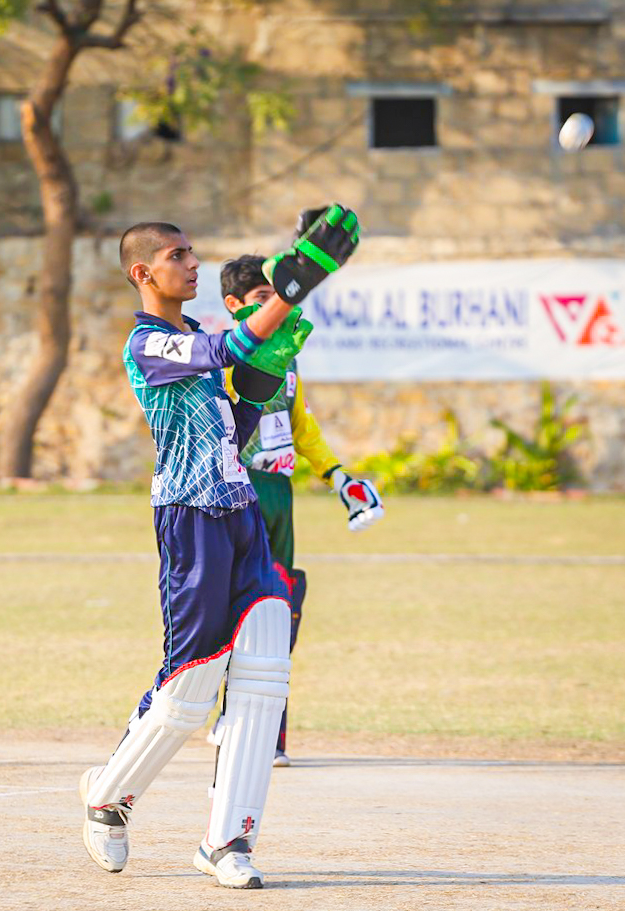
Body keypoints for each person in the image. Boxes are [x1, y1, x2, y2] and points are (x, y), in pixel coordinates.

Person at [79, 205, 360, 889]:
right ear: (143, 273)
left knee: (264, 670)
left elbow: (233, 421)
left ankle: (227, 840)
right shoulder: (147, 344)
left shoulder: (197, 335)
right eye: (177, 256)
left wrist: (265, 377)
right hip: (190, 519)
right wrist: (295, 284)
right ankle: (108, 796)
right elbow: (222, 352)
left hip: (240, 510)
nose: (193, 263)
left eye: (192, 252)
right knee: (190, 686)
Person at [209, 240, 384, 768]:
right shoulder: (228, 357)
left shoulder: (287, 357)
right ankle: (229, 714)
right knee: (242, 607)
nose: (278, 305)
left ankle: (267, 733)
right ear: (236, 306)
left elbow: (301, 426)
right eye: (264, 298)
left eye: (279, 295)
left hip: (280, 493)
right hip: (240, 490)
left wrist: (338, 477)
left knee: (281, 607)